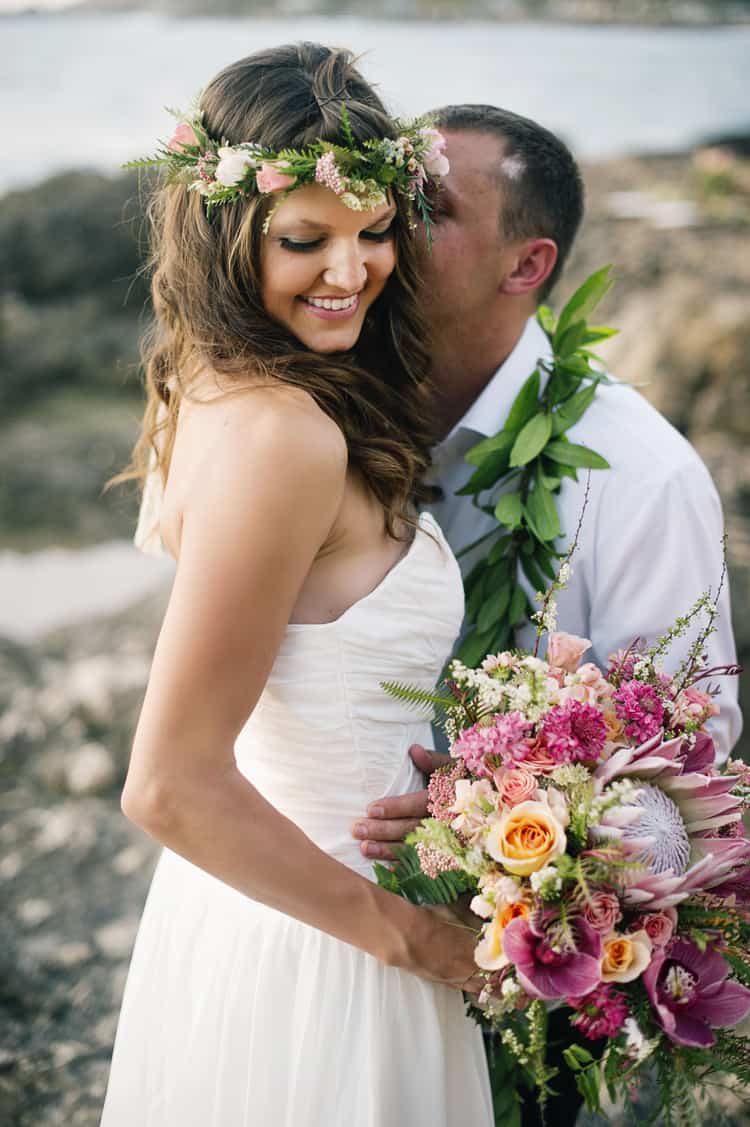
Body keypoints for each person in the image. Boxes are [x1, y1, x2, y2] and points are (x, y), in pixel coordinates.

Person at [100, 46, 494, 1126]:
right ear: (229, 238)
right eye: (304, 239)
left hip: (254, 910)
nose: (350, 269)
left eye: (374, 231)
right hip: (334, 940)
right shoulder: (285, 435)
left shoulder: (214, 378)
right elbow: (167, 783)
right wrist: (419, 939)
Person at [352, 103, 743, 1126]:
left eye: (424, 206)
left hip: (524, 972)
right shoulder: (320, 417)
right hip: (327, 904)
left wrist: (485, 819)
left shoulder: (642, 475)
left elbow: (684, 790)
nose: (378, 220)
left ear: (525, 266)